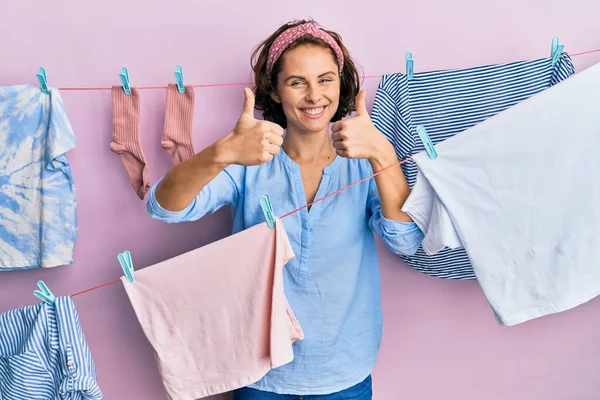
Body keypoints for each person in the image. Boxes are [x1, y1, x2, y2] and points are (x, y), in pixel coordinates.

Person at [147, 18, 424, 400]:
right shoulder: (249, 160)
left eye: (325, 79)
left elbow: (407, 241)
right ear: (275, 92)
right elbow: (165, 208)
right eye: (297, 82)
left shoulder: (364, 160)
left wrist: (382, 152)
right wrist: (223, 151)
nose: (314, 95)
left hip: (343, 368)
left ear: (340, 85)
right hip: (259, 370)